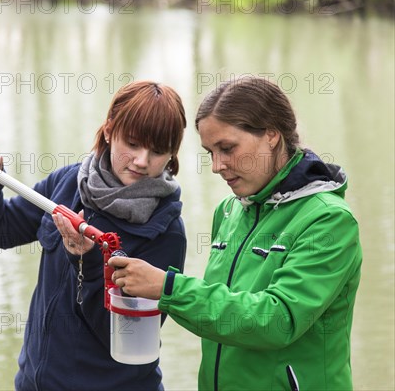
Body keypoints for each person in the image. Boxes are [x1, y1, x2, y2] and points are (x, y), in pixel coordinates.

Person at [108, 77, 363, 390]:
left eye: (227, 149)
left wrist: (169, 289)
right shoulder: (229, 212)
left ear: (271, 135)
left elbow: (277, 320)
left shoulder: (329, 220)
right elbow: (224, 311)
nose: (217, 165)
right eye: (210, 152)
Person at [0, 80, 188, 390]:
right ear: (109, 131)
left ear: (171, 155)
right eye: (132, 144)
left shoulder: (166, 231)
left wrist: (89, 261)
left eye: (158, 151)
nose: (142, 161)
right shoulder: (67, 183)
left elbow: (128, 339)